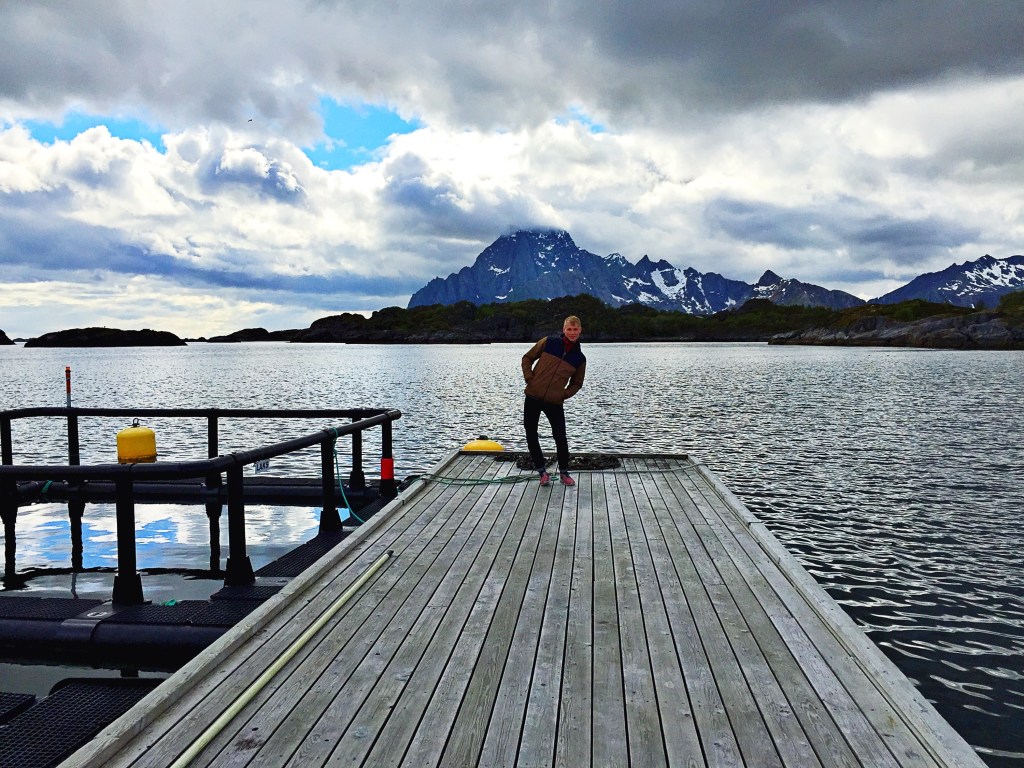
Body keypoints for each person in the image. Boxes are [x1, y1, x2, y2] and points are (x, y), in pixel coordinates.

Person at [521, 315, 586, 487]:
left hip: (555, 402)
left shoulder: (580, 358)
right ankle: (542, 472)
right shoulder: (549, 342)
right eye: (569, 329)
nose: (572, 332)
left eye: (575, 329)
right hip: (533, 396)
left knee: (560, 436)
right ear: (564, 329)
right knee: (531, 433)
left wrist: (563, 394)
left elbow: (577, 383)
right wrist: (529, 378)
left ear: (580, 330)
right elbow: (527, 358)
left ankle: (564, 472)